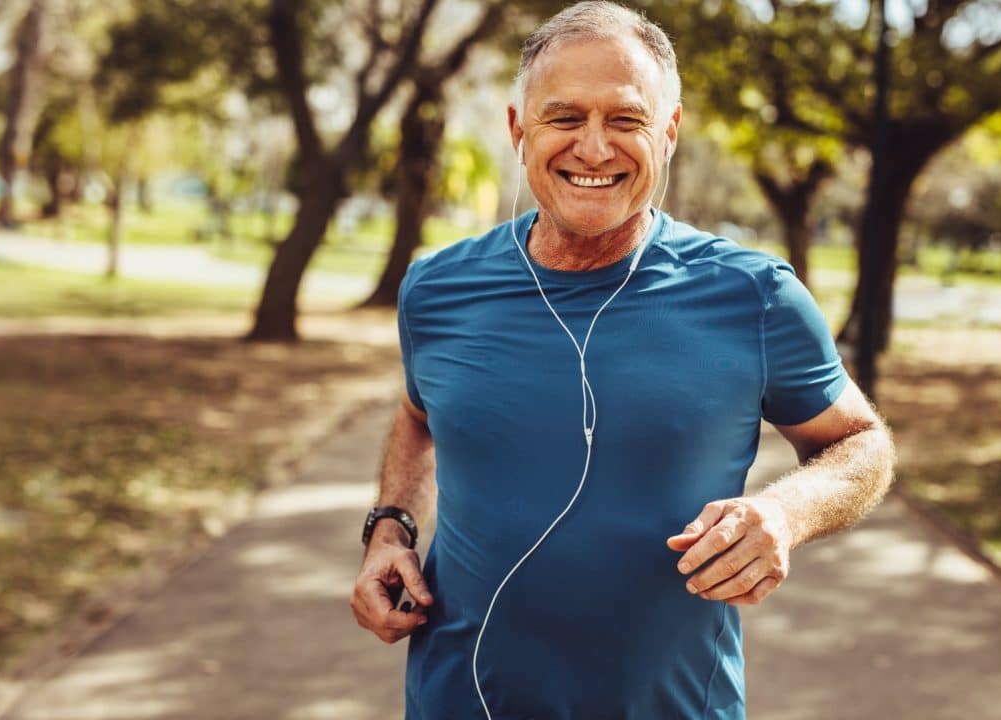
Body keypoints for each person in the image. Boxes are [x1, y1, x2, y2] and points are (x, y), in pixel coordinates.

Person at [349, 2, 895, 718]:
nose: (594, 148)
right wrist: (390, 530)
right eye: (565, 117)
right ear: (519, 129)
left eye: (626, 119)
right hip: (456, 699)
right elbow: (419, 415)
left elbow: (862, 444)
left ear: (668, 132)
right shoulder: (436, 288)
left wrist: (784, 514)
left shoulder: (755, 295)